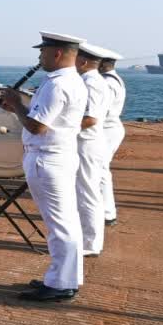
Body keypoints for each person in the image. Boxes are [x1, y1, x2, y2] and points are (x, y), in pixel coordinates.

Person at [0, 31, 87, 302]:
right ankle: (62, 278)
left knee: (59, 224)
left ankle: (61, 283)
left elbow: (38, 126)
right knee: (65, 221)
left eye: (43, 51)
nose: (39, 56)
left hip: (47, 157)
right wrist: (19, 108)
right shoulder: (72, 81)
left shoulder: (56, 84)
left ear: (57, 53)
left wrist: (15, 104)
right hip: (58, 156)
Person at [74, 43, 110, 257]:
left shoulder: (92, 83)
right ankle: (84, 238)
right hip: (81, 142)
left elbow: (90, 119)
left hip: (87, 144)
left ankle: (91, 243)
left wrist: (58, 128)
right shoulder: (87, 81)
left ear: (83, 61)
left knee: (88, 193)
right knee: (82, 192)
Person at [98, 48, 126, 226]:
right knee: (99, 170)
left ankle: (107, 213)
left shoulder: (107, 83)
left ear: (102, 63)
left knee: (99, 171)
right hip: (109, 128)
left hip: (106, 129)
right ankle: (103, 210)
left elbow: (100, 112)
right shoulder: (112, 80)